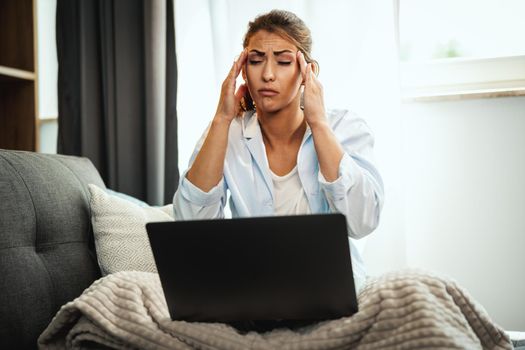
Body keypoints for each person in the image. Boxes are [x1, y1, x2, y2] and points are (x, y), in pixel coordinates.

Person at [173, 9, 384, 332]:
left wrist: (318, 122)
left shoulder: (344, 128)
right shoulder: (225, 133)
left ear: (306, 71)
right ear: (243, 69)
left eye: (283, 62)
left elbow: (363, 220)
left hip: (334, 299)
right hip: (252, 297)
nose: (268, 74)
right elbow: (191, 228)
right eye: (256, 61)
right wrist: (221, 119)